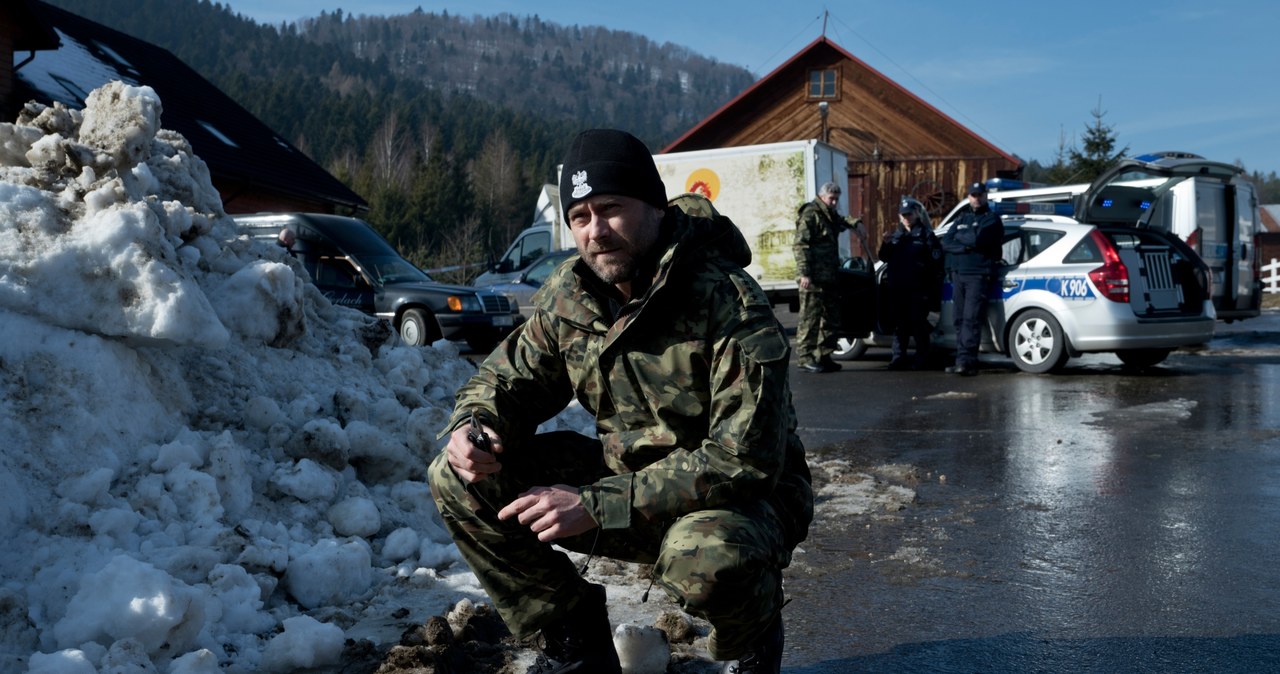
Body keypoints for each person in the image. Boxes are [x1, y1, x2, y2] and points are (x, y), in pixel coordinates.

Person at [427, 128, 813, 674]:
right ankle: (574, 636)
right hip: (625, 481)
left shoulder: (725, 300)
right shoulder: (572, 296)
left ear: (655, 207)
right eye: (580, 217)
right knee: (456, 475)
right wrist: (476, 423)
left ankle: (750, 641)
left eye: (611, 208)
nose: (596, 232)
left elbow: (744, 461)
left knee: (702, 554)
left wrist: (594, 503)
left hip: (742, 501)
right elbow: (506, 379)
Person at [940, 181, 1004, 376]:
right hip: (958, 274)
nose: (977, 198)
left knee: (971, 319)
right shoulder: (962, 217)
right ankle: (963, 359)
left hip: (978, 274)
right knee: (958, 319)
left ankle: (967, 362)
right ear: (968, 197)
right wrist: (965, 244)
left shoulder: (991, 219)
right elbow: (946, 242)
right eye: (973, 195)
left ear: (986, 196)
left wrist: (963, 238)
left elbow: (978, 239)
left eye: (980, 195)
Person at [793, 181, 855, 373]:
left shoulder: (829, 214)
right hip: (813, 278)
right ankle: (805, 357)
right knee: (810, 319)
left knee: (831, 318)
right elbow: (801, 245)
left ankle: (824, 354)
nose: (835, 202)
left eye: (837, 199)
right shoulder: (811, 214)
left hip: (829, 277)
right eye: (832, 198)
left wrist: (857, 224)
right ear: (822, 196)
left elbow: (843, 221)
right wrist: (805, 273)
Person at [877, 197, 943, 370]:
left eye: (909, 214)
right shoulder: (896, 235)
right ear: (900, 216)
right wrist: (885, 243)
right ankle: (899, 358)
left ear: (916, 214)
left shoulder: (926, 235)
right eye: (903, 215)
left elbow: (936, 261)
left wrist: (930, 288)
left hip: (918, 290)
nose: (906, 218)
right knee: (900, 326)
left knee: (918, 325)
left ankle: (922, 358)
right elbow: (884, 257)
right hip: (898, 289)